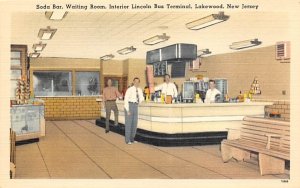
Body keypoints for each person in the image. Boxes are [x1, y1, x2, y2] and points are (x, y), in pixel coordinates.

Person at [124, 77, 144, 144]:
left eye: (138, 82)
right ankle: (127, 140)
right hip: (129, 106)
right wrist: (127, 110)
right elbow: (126, 99)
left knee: (134, 123)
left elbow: (141, 98)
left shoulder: (140, 90)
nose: (137, 83)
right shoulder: (129, 89)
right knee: (129, 124)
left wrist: (140, 101)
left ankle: (132, 139)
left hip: (136, 106)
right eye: (135, 81)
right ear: (133, 82)